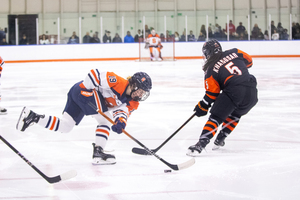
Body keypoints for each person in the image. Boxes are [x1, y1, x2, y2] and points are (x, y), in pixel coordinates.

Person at [16, 70, 152, 165]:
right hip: (81, 91)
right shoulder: (116, 81)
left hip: (78, 95)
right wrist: (87, 92)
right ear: (133, 85)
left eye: (143, 93)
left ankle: (32, 117)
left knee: (66, 126)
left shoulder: (133, 102)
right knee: (104, 121)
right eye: (140, 91)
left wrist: (120, 122)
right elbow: (93, 75)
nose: (140, 95)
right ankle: (98, 152)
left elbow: (122, 112)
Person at [186, 39, 258, 157]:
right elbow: (249, 62)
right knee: (235, 114)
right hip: (252, 91)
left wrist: (202, 106)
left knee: (216, 117)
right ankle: (220, 138)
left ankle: (200, 144)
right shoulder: (235, 51)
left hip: (234, 91)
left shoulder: (210, 69)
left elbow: (211, 94)